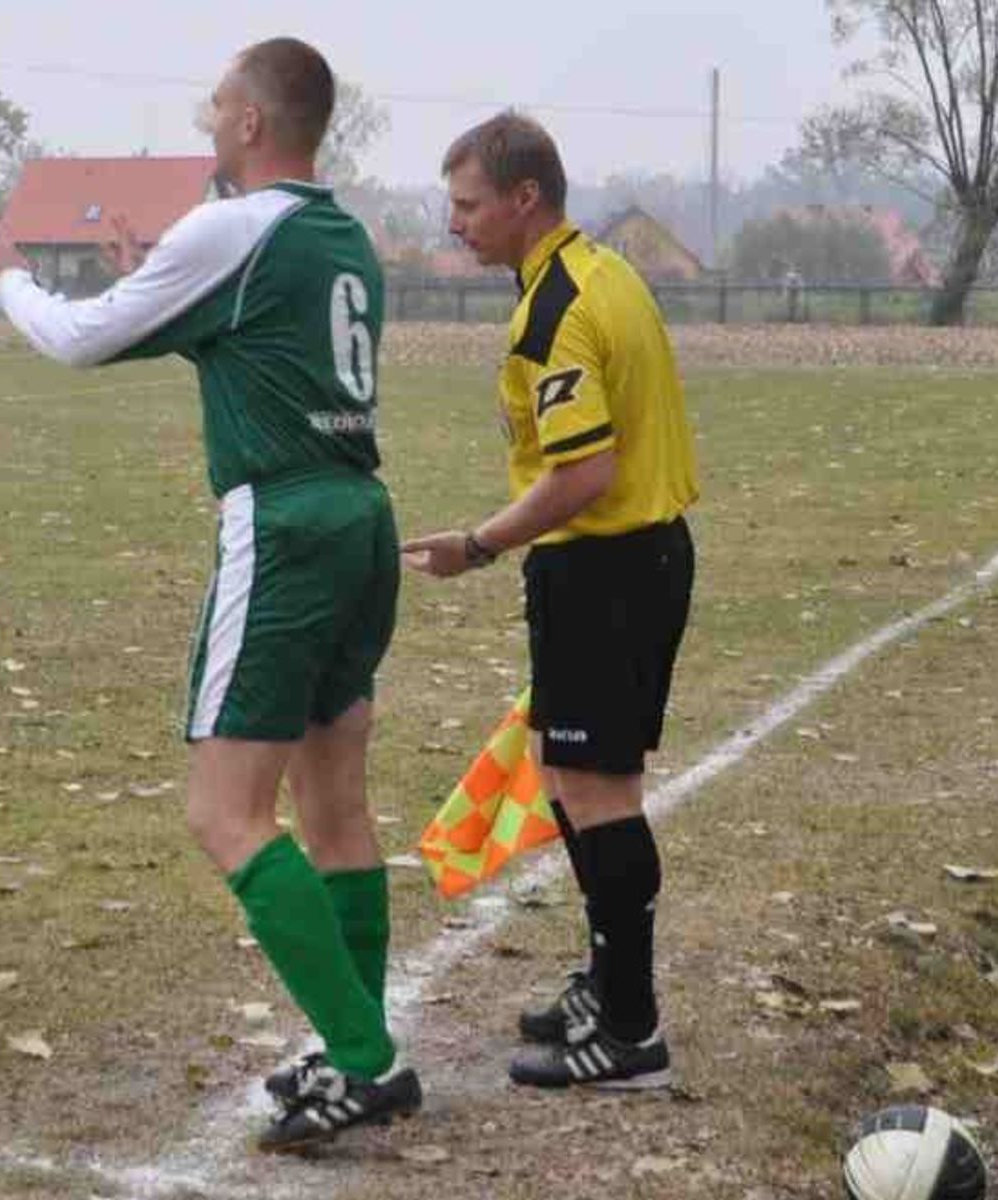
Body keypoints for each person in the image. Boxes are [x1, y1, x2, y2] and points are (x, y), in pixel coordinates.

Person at [0, 37, 420, 1152]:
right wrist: (142, 278)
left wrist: (5, 271)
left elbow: (72, 341)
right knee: (335, 805)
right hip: (360, 518)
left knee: (223, 814)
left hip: (287, 528)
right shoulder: (343, 234)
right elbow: (257, 348)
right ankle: (357, 1043)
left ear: (254, 122)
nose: (208, 123)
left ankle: (364, 1059)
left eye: (218, 107)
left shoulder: (228, 227)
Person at [402, 111, 698, 1090]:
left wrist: (477, 544)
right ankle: (609, 981)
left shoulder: (554, 310)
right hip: (632, 561)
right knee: (569, 774)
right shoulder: (599, 271)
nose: (456, 224)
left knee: (595, 789)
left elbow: (583, 472)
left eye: (468, 204)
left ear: (524, 199)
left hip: (606, 568)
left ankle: (629, 1031)